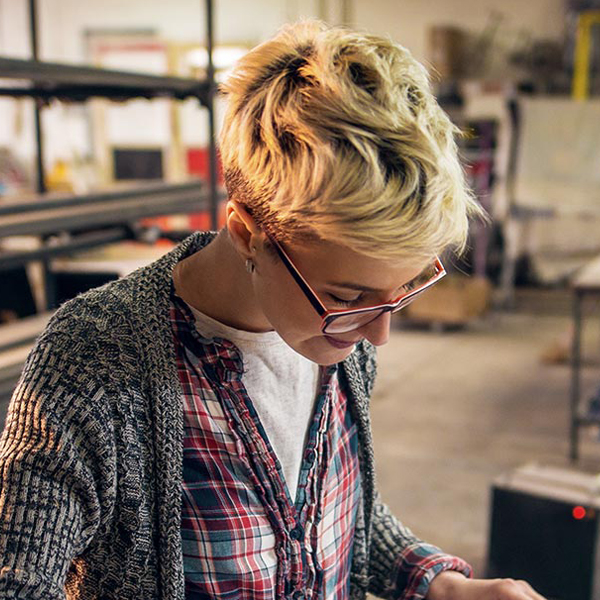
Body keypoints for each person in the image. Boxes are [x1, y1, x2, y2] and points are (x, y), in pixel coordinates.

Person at [0, 20, 545, 600]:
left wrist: (439, 583)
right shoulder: (96, 366)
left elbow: (329, 513)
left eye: (403, 289)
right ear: (247, 233)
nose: (378, 335)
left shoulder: (337, 342)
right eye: (348, 296)